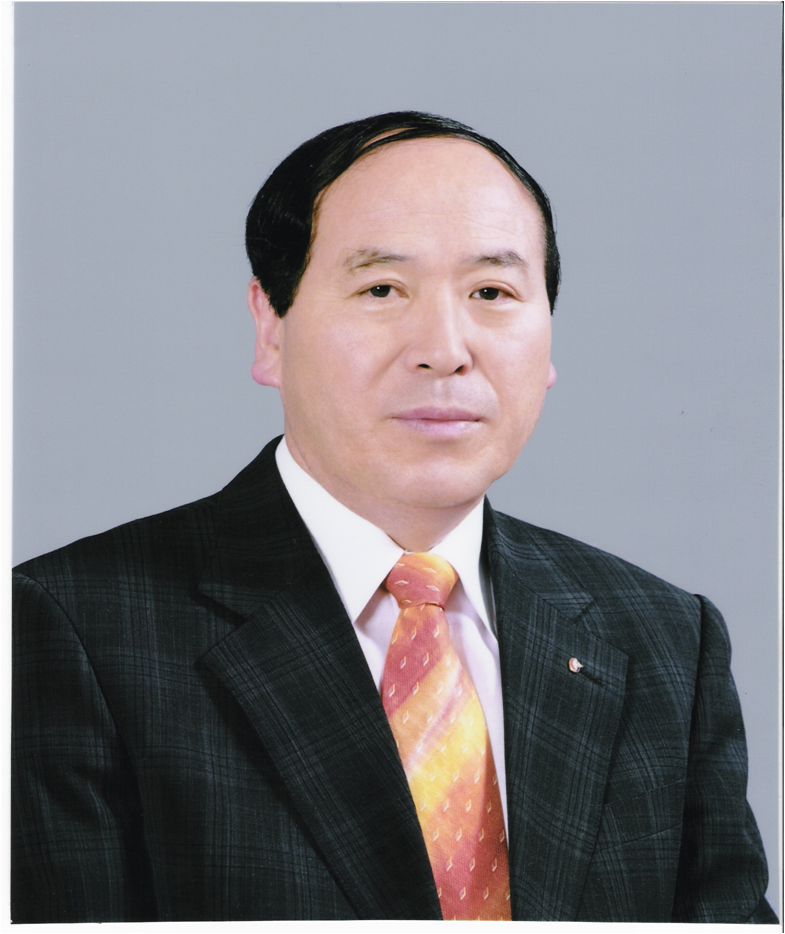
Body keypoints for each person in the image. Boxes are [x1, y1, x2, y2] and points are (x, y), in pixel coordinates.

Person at [12, 111, 776, 923]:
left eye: (491, 293)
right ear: (270, 328)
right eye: (381, 290)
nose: (444, 348)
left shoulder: (665, 638)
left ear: (548, 338)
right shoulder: (72, 629)